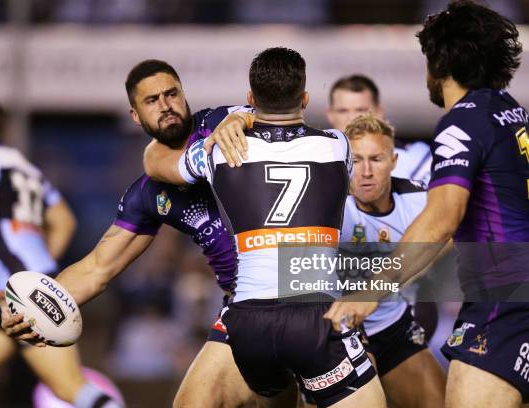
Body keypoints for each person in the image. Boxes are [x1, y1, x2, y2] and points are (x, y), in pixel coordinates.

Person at [0, 60, 262, 407]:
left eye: (172, 94)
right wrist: (33, 310)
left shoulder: (218, 123)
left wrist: (243, 117)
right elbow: (97, 269)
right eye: (151, 101)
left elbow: (270, 115)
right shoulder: (148, 194)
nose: (166, 105)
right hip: (241, 306)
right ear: (135, 116)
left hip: (298, 285)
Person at [144, 47, 386, 407]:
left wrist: (239, 119)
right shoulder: (338, 147)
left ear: (250, 98)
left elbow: (154, 161)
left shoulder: (218, 152)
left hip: (248, 323)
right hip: (315, 316)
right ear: (305, 99)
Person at [325, 1, 529, 407]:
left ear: (440, 63)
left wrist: (372, 291)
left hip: (504, 299)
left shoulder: (463, 121)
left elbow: (441, 218)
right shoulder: (513, 114)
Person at [0, 97, 121, 408]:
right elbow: (64, 222)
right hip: (37, 284)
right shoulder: (25, 167)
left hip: (14, 289)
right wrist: (38, 275)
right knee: (70, 387)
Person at [337, 114, 445, 407]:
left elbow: (453, 234)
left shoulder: (419, 200)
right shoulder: (327, 203)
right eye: (356, 160)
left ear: (394, 162)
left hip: (392, 325)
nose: (366, 171)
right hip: (338, 331)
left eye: (376, 159)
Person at [326, 74, 432, 185]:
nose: (352, 118)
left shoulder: (415, 158)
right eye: (343, 111)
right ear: (330, 115)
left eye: (361, 110)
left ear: (379, 112)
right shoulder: (313, 158)